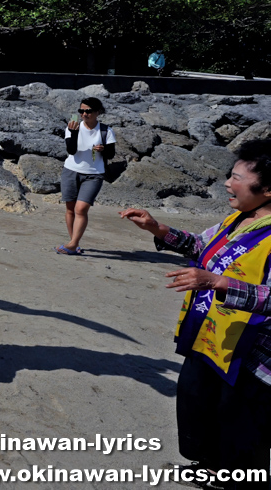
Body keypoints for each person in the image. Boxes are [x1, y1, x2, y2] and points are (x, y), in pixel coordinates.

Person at [119, 139, 271, 490]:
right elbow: (202, 246)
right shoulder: (238, 218)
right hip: (213, 336)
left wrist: (220, 283)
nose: (227, 184)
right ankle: (206, 468)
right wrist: (158, 229)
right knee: (198, 405)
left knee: (242, 427)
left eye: (236, 178)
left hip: (251, 353)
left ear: (268, 189)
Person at [56, 97, 115, 255]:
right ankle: (73, 243)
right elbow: (71, 151)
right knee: (70, 209)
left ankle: (73, 244)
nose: (84, 114)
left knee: (81, 209)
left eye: (88, 111)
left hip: (94, 174)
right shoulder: (72, 127)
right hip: (71, 170)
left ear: (97, 112)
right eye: (81, 111)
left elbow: (112, 154)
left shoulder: (106, 131)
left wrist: (103, 149)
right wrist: (74, 133)